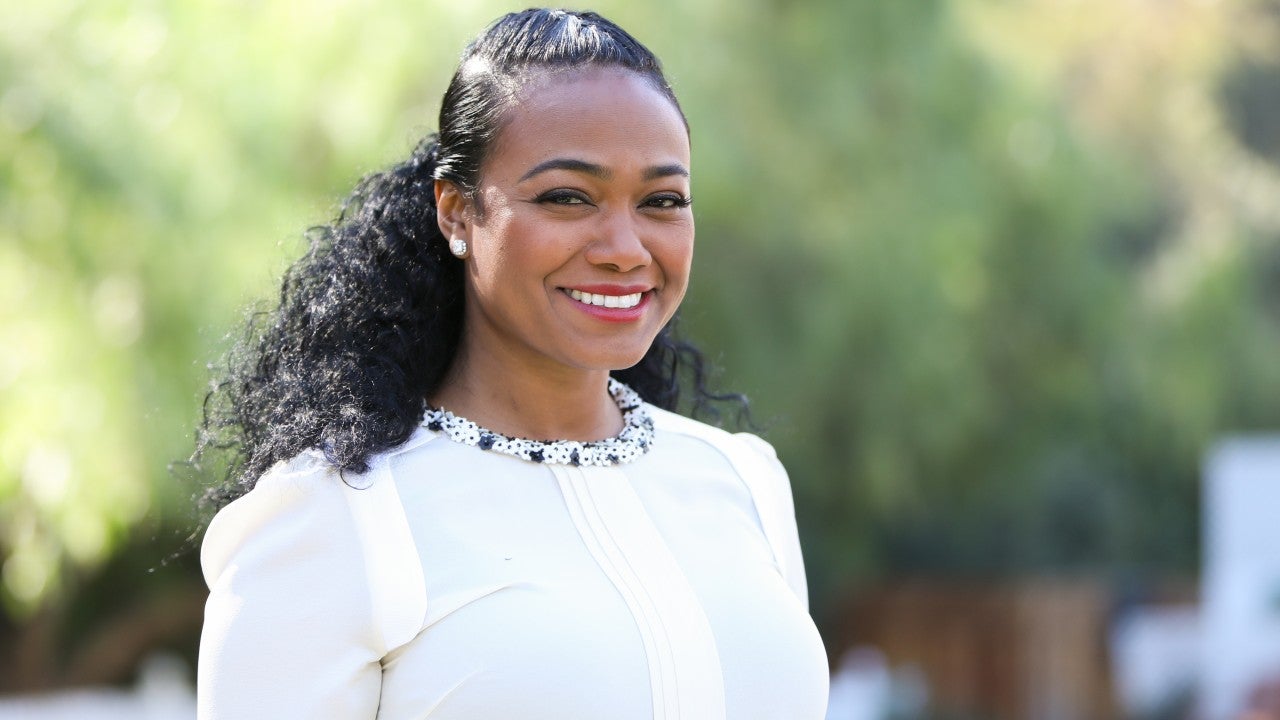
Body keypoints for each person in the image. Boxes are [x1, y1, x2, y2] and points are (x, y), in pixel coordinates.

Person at [193, 8, 829, 719]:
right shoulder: (340, 515)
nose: (626, 248)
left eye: (662, 201)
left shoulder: (743, 482)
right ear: (456, 211)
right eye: (567, 197)